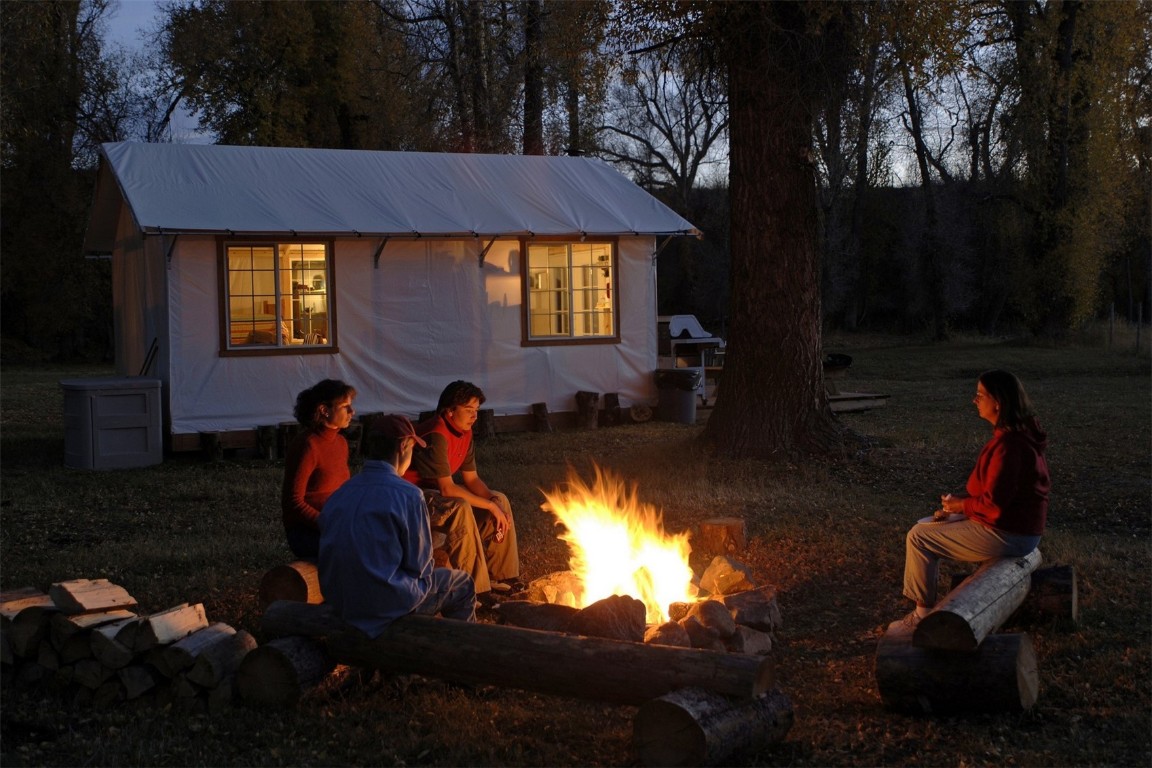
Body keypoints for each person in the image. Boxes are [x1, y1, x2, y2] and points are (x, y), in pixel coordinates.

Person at [901, 369, 1050, 624]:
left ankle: (922, 616)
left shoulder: (1009, 447)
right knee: (937, 523)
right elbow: (1000, 495)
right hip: (1019, 528)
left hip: (1010, 534)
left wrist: (962, 505)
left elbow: (994, 506)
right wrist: (958, 509)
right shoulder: (1019, 436)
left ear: (998, 402)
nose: (975, 400)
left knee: (918, 537)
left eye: (980, 395)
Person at [319, 414, 476, 637]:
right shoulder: (408, 495)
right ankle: (465, 650)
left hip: (341, 601)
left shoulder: (341, 494)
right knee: (462, 583)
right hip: (386, 604)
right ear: (404, 446)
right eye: (413, 449)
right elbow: (420, 566)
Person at [403, 380, 522, 596]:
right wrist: (489, 505)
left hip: (436, 492)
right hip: (412, 497)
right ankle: (476, 588)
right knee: (460, 506)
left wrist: (492, 502)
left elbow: (472, 479)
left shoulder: (464, 433)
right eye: (468, 410)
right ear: (449, 411)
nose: (474, 416)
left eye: (476, 410)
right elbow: (448, 489)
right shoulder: (436, 433)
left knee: (500, 499)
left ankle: (504, 576)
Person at [281, 379, 357, 559]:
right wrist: (328, 523)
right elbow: (294, 503)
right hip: (307, 531)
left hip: (336, 524)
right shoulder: (308, 446)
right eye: (345, 406)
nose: (351, 412)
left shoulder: (340, 443)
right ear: (324, 410)